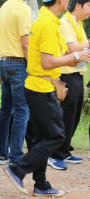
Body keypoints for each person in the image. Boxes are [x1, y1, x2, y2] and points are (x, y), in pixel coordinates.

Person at [4, 0, 90, 197]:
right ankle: (17, 169)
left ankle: (41, 184)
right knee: (56, 135)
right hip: (40, 89)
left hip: (38, 86)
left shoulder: (45, 20)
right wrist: (76, 56)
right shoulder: (48, 24)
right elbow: (48, 62)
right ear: (59, 1)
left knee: (41, 137)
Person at [47, 0, 90, 170]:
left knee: (75, 113)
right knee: (65, 114)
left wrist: (85, 47)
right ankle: (54, 154)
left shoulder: (78, 25)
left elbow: (83, 48)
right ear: (78, 6)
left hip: (78, 73)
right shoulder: (65, 23)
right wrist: (86, 47)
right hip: (66, 72)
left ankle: (65, 150)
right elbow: (72, 48)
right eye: (89, 7)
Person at [0, 0, 31, 166]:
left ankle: (2, 153)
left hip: (3, 63)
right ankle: (16, 157)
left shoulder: (4, 7)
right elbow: (25, 43)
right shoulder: (22, 8)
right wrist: (33, 67)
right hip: (18, 63)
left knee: (6, 109)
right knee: (22, 110)